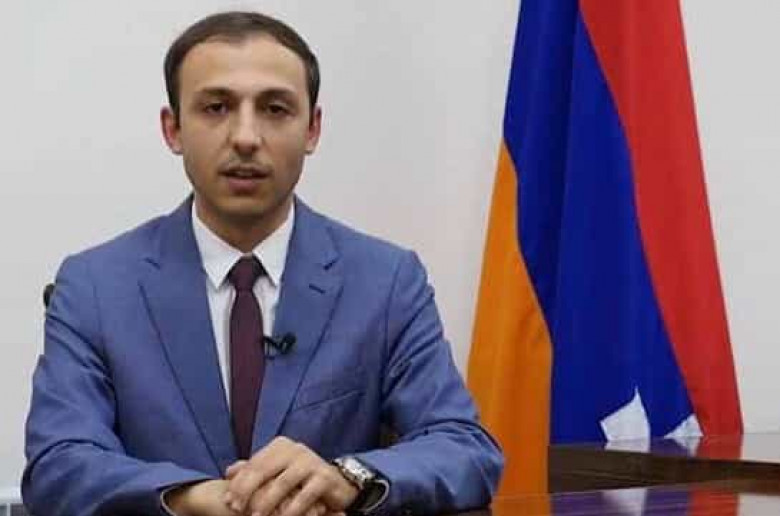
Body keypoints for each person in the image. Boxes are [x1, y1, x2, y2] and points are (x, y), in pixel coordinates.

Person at [22, 11, 503, 516]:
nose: (246, 137)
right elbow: (59, 463)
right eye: (216, 107)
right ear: (173, 129)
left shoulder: (386, 282)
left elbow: (464, 447)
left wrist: (347, 477)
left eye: (275, 109)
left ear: (312, 129)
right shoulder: (95, 288)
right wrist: (197, 498)